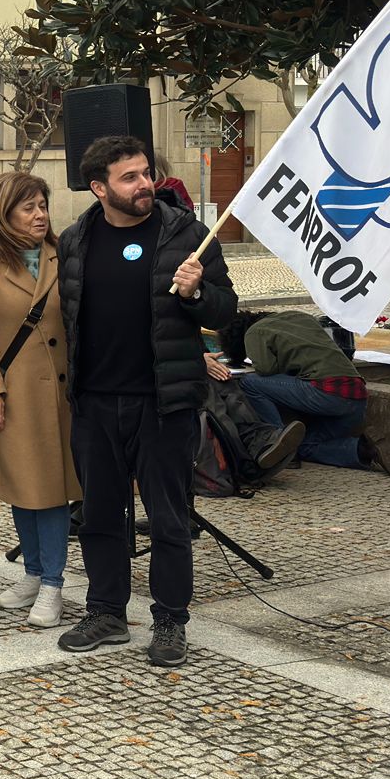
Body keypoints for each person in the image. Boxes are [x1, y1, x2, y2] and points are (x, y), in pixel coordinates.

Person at [55, 135, 236, 669]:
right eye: (129, 177)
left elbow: (225, 311)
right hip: (94, 403)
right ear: (99, 187)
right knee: (98, 516)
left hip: (163, 404)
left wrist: (197, 292)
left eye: (146, 173)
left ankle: (170, 620)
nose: (144, 184)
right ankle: (106, 611)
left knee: (168, 519)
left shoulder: (188, 236)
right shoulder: (75, 239)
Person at [0, 172, 80, 629]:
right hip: (15, 395)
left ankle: (52, 583)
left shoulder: (65, 253)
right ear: (3, 213)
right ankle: (34, 574)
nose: (39, 215)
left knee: (52, 492)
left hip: (66, 395)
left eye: (43, 205)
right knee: (24, 488)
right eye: (28, 207)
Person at [219, 309, 390, 476]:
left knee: (250, 383)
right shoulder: (301, 317)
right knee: (306, 446)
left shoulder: (254, 331)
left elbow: (266, 369)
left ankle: (275, 440)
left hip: (325, 392)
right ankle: (366, 450)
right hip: (357, 397)